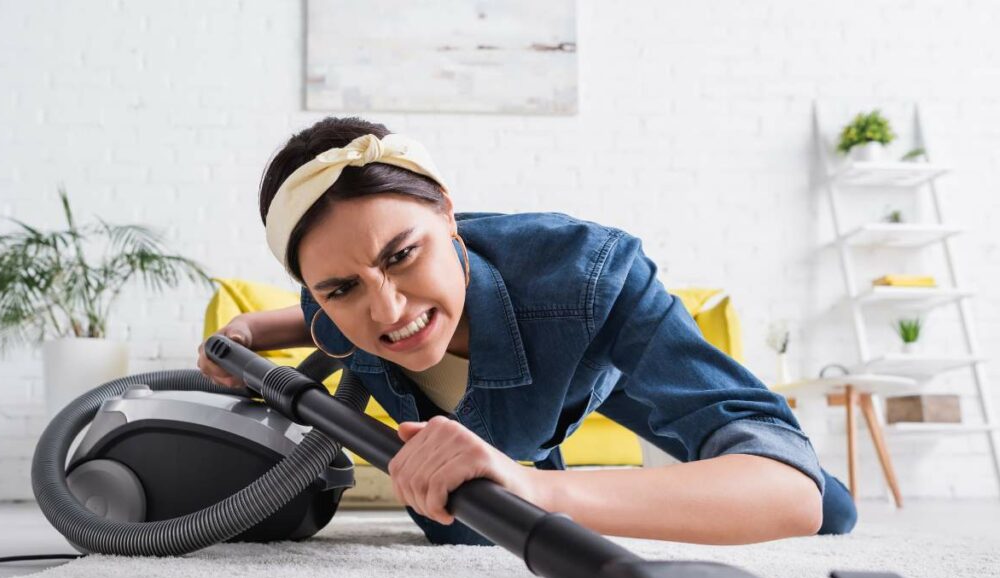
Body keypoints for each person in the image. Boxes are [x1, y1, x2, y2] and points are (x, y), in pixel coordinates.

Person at [197, 116, 857, 546]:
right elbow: (318, 318)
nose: (389, 310)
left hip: (582, 360)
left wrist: (538, 488)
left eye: (402, 255)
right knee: (462, 531)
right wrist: (253, 331)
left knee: (827, 510)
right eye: (341, 289)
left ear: (450, 216)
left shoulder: (590, 278)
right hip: (498, 435)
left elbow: (788, 492)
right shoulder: (333, 308)